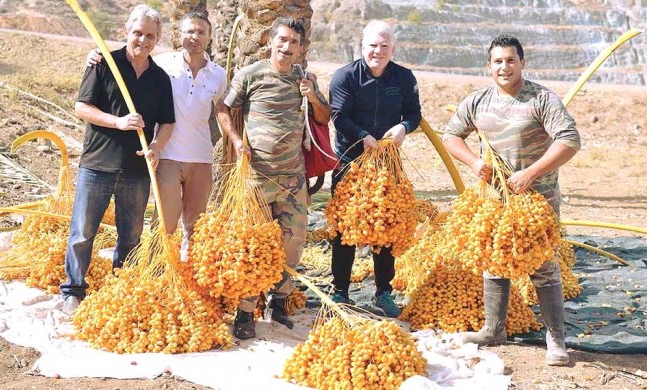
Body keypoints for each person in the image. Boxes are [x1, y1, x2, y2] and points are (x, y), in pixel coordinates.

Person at [442, 34, 580, 366]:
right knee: (493, 263)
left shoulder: (541, 98)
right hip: (494, 202)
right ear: (489, 66)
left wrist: (531, 173)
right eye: (498, 61)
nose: (504, 67)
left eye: (510, 60)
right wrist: (475, 163)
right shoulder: (477, 101)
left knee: (543, 267)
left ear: (522, 62)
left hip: (537, 201)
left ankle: (556, 340)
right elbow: (451, 136)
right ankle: (493, 329)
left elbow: (570, 140)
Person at [215, 17, 331, 340]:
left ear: (301, 48)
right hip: (256, 178)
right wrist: (237, 141)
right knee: (254, 244)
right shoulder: (251, 75)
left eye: (294, 42)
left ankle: (279, 302)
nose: (286, 46)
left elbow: (324, 116)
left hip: (293, 180)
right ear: (270, 40)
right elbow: (223, 108)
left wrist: (312, 96)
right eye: (282, 40)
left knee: (293, 241)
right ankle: (245, 311)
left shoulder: (303, 79)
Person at [60, 4, 175, 315]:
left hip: (137, 170)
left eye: (150, 35)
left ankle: (121, 288)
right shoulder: (103, 62)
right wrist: (118, 122)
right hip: (97, 164)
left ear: (157, 39)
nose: (143, 40)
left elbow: (167, 122)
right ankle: (73, 289)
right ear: (127, 31)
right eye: (137, 33)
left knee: (131, 236)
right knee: (83, 232)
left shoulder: (160, 78)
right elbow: (81, 108)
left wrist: (157, 146)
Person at [87, 13, 226, 261]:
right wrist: (95, 56)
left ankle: (190, 276)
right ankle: (157, 272)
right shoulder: (161, 64)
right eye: (189, 31)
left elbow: (223, 112)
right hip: (167, 156)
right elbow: (129, 61)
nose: (195, 37)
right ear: (179, 35)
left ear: (209, 37)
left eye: (201, 32)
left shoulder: (218, 75)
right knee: (164, 222)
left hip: (201, 158)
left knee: (197, 224)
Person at [327, 20, 421, 317]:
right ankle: (340, 290)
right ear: (362, 46)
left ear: (393, 48)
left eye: (384, 46)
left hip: (387, 166)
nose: (377, 51)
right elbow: (339, 116)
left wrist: (405, 127)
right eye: (372, 45)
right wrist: (363, 136)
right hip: (351, 163)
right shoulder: (345, 77)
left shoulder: (404, 78)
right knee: (345, 228)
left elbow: (415, 114)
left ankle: (383, 293)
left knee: (387, 226)